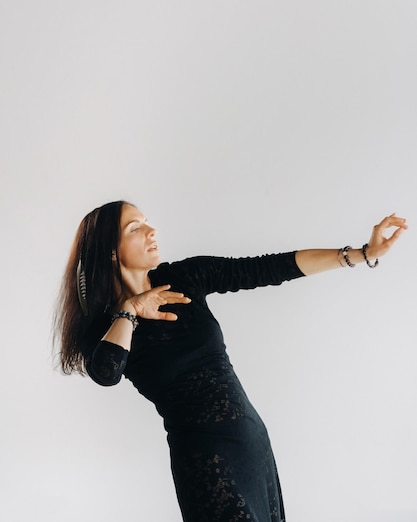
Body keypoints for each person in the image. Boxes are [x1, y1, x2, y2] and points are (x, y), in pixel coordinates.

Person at [53, 201, 407, 522]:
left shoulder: (184, 278)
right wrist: (129, 311)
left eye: (148, 222)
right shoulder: (105, 326)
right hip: (205, 457)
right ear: (110, 253)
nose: (151, 231)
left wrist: (361, 253)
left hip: (251, 442)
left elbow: (269, 268)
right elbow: (106, 372)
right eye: (135, 228)